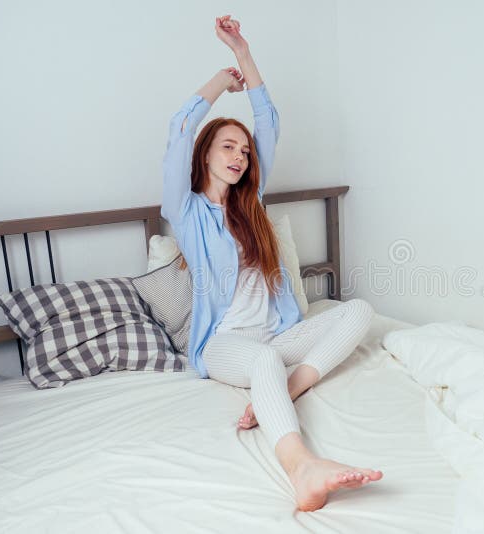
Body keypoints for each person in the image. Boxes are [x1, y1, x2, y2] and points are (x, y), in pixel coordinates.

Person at [161, 14, 383, 512]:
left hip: (279, 335)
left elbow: (270, 122)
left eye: (244, 151)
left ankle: (291, 386)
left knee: (358, 311)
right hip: (226, 345)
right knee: (262, 360)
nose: (240, 156)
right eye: (227, 146)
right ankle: (301, 464)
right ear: (205, 153)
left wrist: (244, 53)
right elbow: (178, 128)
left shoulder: (251, 203)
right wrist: (222, 80)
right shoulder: (187, 211)